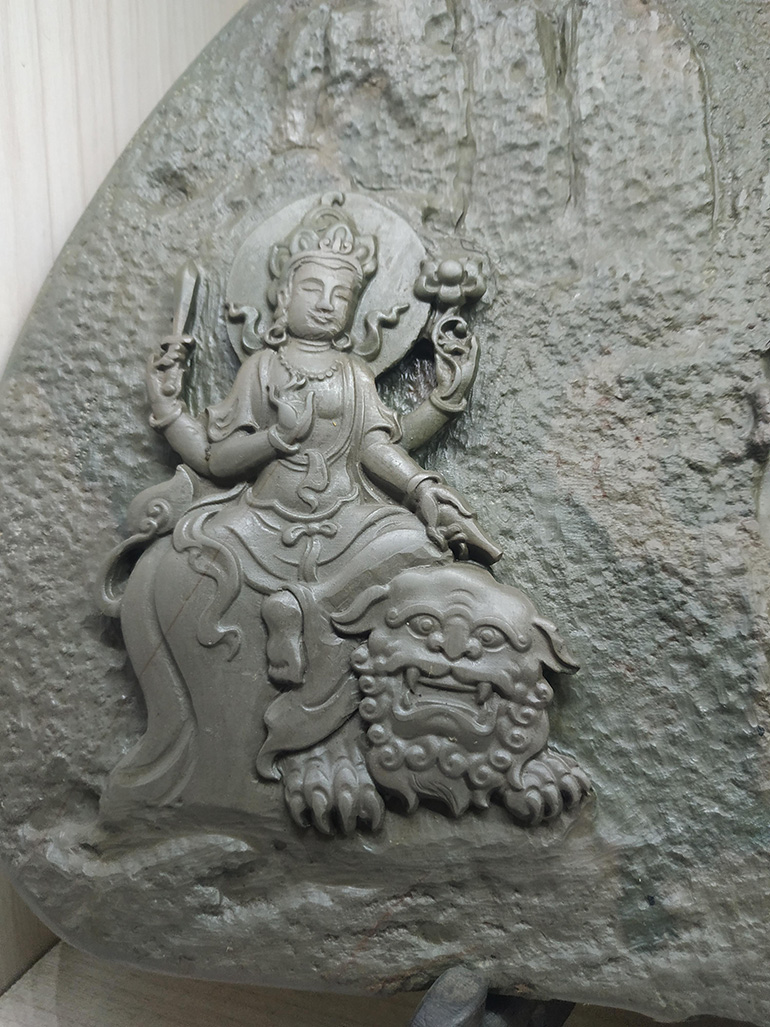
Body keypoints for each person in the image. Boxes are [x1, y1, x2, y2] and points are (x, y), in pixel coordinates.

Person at [102, 195, 500, 832]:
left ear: (356, 311)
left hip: (351, 516)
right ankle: (283, 704)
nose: (324, 302)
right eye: (311, 288)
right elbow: (217, 458)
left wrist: (432, 451)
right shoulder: (262, 369)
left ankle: (343, 694)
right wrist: (265, 436)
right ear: (280, 298)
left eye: (340, 294)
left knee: (419, 551)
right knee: (200, 555)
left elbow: (379, 447)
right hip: (265, 516)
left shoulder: (353, 375)